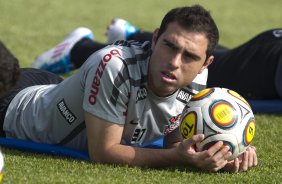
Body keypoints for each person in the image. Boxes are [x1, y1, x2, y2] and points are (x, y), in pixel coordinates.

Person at [1, 5, 257, 172]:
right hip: (13, 104)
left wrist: (222, 151)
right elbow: (103, 152)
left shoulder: (199, 80)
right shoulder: (115, 67)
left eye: (190, 56)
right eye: (169, 45)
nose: (175, 62)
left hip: (59, 92)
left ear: (205, 63)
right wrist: (177, 159)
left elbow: (176, 143)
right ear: (154, 39)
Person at [33, 18, 282, 100]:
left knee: (202, 59)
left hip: (273, 48)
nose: (175, 60)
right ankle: (78, 48)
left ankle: (131, 35)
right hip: (273, 62)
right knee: (191, 69)